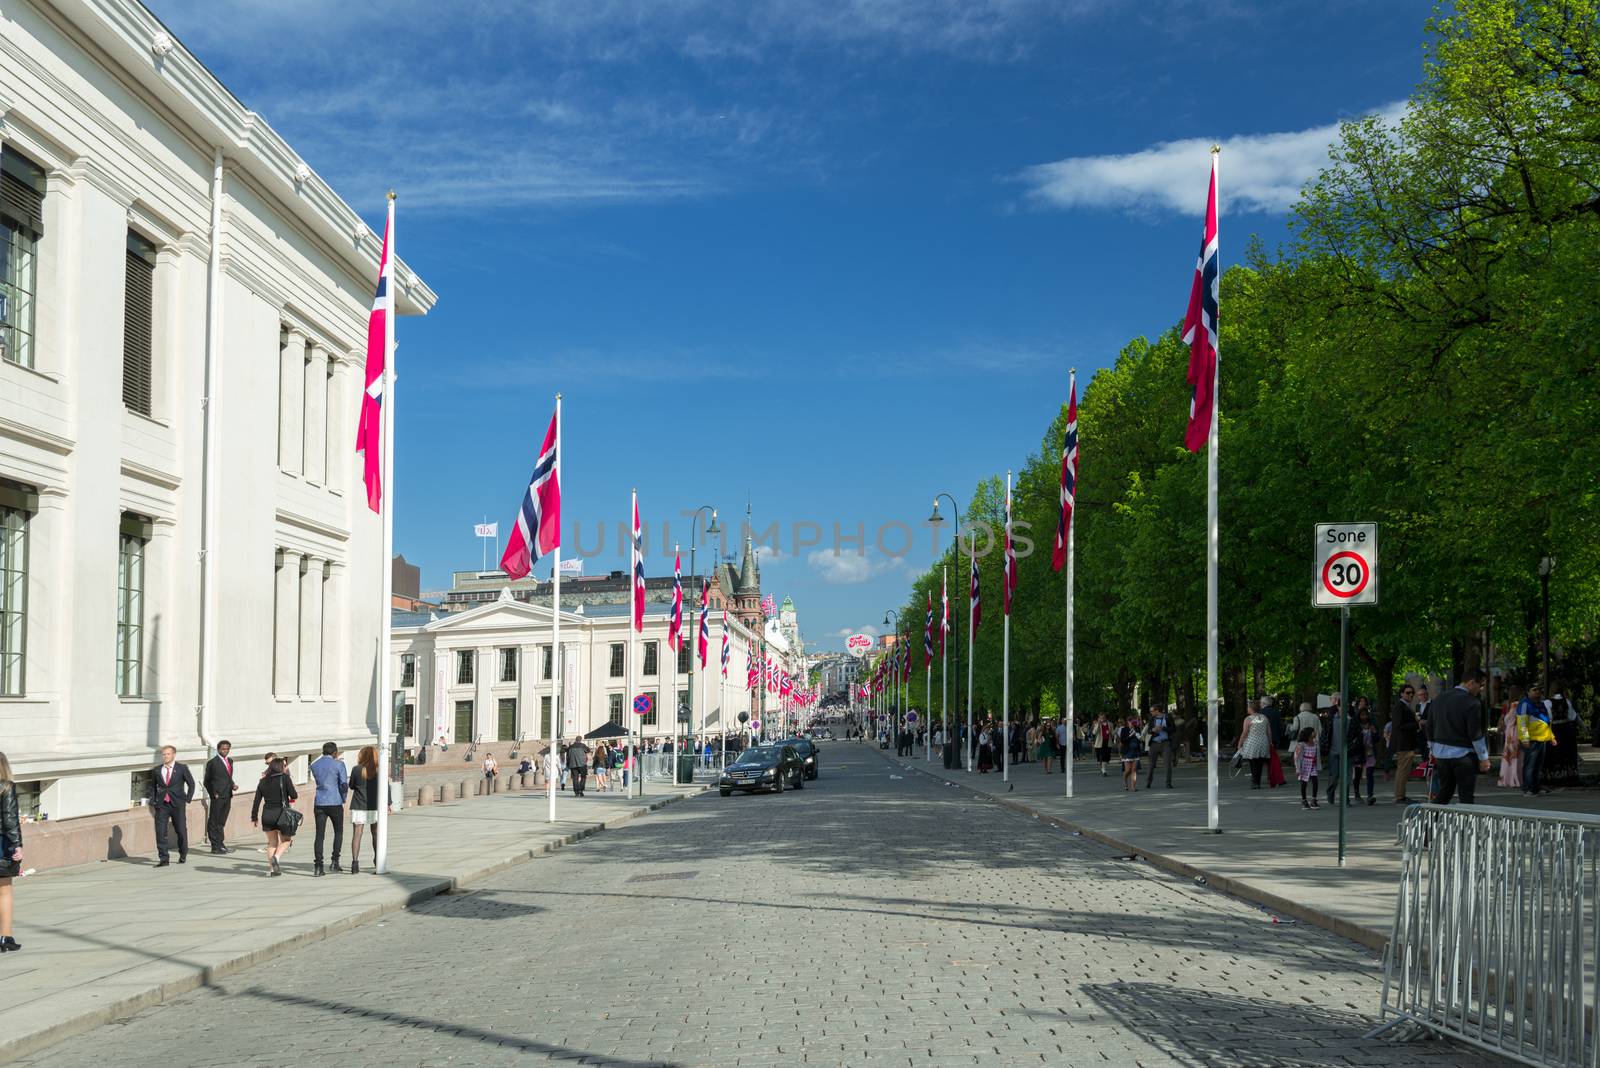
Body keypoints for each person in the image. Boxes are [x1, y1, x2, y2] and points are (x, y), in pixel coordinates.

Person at [1431, 668, 1491, 805]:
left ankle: (1427, 823)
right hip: (1463, 754)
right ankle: (1467, 826)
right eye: (1480, 685)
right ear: (1471, 682)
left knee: (1445, 791)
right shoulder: (1472, 702)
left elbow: (1430, 725)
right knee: (1466, 794)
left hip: (1441, 753)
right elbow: (1475, 733)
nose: (1481, 689)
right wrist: (1484, 758)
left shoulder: (1440, 698)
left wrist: (1432, 747)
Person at [251, 756, 299, 876]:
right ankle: (276, 858)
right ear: (281, 767)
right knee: (287, 840)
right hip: (281, 814)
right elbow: (294, 795)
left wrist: (254, 817)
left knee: (272, 842)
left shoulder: (263, 781)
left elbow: (256, 801)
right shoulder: (285, 778)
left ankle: (273, 870)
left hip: (267, 814)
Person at [150, 745, 195, 867]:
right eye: (163, 754)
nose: (165, 756)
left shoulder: (181, 768)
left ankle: (183, 853)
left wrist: (188, 798)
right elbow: (152, 787)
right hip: (162, 805)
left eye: (168, 754)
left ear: (174, 754)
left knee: (180, 830)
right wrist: (153, 801)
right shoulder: (157, 770)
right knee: (160, 832)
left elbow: (191, 784)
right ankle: (164, 858)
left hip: (177, 804)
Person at [309, 742, 349, 877]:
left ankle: (318, 866)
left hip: (319, 801)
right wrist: (343, 798)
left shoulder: (314, 765)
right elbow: (344, 785)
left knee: (319, 835)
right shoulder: (339, 764)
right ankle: (334, 861)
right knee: (338, 831)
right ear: (335, 752)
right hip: (335, 801)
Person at [347, 746, 382, 874]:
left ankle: (355, 863)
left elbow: (351, 786)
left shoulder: (356, 769)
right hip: (374, 805)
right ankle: (377, 860)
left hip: (358, 805)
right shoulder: (379, 770)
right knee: (375, 833)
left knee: (357, 834)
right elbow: (385, 787)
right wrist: (388, 803)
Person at [0, 751, 22, 952]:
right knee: (5, 891)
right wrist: (17, 845)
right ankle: (5, 938)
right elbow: (10, 819)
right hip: (1, 845)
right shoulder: (6, 787)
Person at [1518, 682, 1554, 796]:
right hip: (1531, 739)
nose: (1538, 692)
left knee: (1538, 766)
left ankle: (1536, 787)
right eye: (1534, 690)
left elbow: (1546, 722)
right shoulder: (1524, 704)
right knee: (1530, 765)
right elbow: (1522, 723)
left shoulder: (1541, 704)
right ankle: (1528, 788)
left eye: (1539, 690)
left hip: (1541, 739)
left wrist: (1551, 737)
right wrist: (1524, 739)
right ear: (1527, 692)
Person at [203, 740, 238, 855]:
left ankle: (220, 844)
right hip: (217, 796)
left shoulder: (230, 761)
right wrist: (213, 793)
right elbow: (207, 781)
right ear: (218, 749)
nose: (225, 751)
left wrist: (232, 784)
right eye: (223, 749)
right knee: (214, 820)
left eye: (227, 749)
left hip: (227, 794)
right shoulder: (212, 763)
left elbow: (228, 777)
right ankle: (215, 846)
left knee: (222, 821)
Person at [1391, 684, 1420, 803]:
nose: (1411, 695)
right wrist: (1416, 725)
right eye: (1408, 693)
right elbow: (1398, 725)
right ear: (1402, 694)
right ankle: (1400, 796)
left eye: (1412, 692)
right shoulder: (1400, 706)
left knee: (1404, 770)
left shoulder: (1405, 706)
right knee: (1403, 771)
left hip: (1406, 743)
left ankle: (1401, 794)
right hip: (1403, 744)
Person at [1235, 705, 1272, 789]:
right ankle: (1257, 781)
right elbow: (1269, 732)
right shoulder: (1264, 717)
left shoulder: (1248, 719)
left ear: (1251, 709)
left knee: (1253, 763)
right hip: (1263, 742)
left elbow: (1245, 733)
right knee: (1260, 763)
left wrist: (1239, 743)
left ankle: (1255, 782)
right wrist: (1270, 741)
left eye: (1248, 707)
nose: (1247, 708)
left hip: (1252, 742)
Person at [1349, 707, 1378, 805]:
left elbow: (1377, 739)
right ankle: (1357, 793)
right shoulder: (1356, 726)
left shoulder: (1371, 725)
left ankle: (1370, 795)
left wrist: (1374, 732)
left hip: (1370, 752)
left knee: (1370, 774)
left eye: (1366, 715)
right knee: (1358, 774)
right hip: (1359, 752)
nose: (1364, 717)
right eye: (1362, 715)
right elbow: (1351, 737)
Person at [1497, 687, 1523, 789]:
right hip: (1516, 731)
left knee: (1507, 756)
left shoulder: (1506, 704)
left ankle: (1505, 779)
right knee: (1517, 757)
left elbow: (1503, 719)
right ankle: (1516, 779)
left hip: (1508, 733)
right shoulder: (1519, 704)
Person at [1145, 708, 1176, 789]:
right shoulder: (1152, 719)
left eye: (1152, 711)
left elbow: (1174, 729)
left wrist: (1163, 728)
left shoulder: (1167, 717)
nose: (1151, 713)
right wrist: (1153, 730)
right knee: (1151, 764)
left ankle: (1168, 783)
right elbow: (1148, 731)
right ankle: (1148, 782)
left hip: (1165, 743)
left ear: (1157, 710)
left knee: (1167, 764)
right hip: (1154, 743)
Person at [1291, 727, 1320, 809]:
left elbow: (1317, 755)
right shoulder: (1301, 744)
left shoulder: (1315, 743)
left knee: (1315, 781)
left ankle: (1314, 800)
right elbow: (1296, 757)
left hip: (1313, 765)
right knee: (1304, 783)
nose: (1315, 733)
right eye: (1313, 732)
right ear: (1309, 734)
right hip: (1304, 765)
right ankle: (1304, 800)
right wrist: (1297, 768)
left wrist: (1318, 765)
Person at [1118, 715, 1142, 791]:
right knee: (1128, 770)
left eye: (1133, 722)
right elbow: (1122, 740)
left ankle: (1133, 787)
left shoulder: (1137, 729)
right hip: (1127, 751)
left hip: (1135, 751)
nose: (1132, 723)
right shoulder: (1124, 729)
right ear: (1127, 722)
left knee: (1134, 769)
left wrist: (1138, 736)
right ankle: (1125, 782)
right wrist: (1130, 735)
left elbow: (1140, 740)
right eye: (1130, 721)